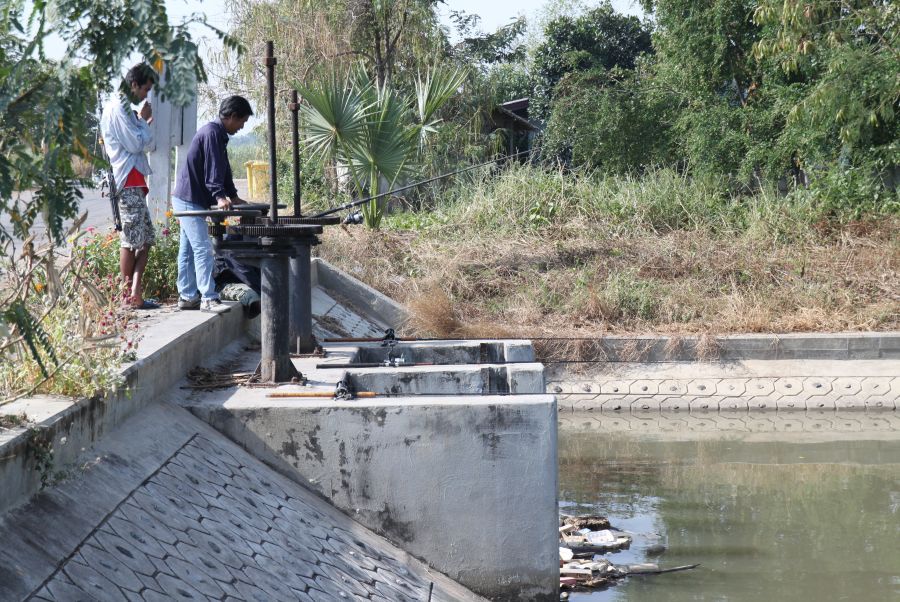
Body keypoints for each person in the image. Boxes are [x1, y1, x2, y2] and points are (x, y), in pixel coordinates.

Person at [172, 95, 253, 313]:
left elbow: (224, 169)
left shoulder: (218, 134)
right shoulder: (212, 134)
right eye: (242, 122)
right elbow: (213, 171)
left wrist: (233, 195)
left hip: (189, 197)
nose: (242, 126)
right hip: (189, 199)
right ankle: (208, 298)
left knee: (187, 250)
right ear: (232, 116)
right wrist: (219, 197)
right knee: (203, 248)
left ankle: (188, 296)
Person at [99, 63, 160, 310]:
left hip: (135, 180)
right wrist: (144, 122)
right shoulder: (119, 109)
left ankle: (134, 292)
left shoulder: (125, 109)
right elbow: (138, 144)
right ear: (134, 84)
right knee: (131, 239)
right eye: (145, 89)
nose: (146, 95)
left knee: (145, 238)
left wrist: (141, 123)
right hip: (127, 180)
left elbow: (142, 141)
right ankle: (127, 295)